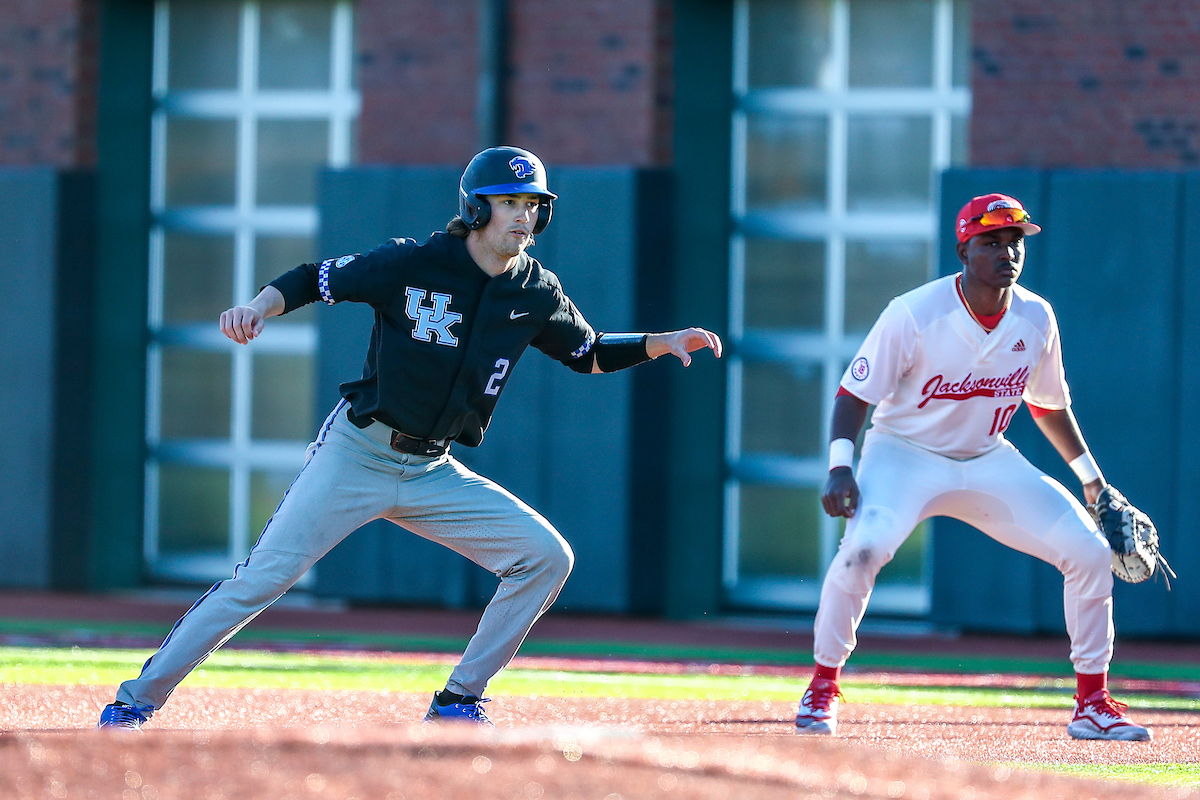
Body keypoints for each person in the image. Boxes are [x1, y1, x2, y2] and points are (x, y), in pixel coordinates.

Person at [98, 145, 722, 731]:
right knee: (260, 579)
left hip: (433, 472)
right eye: (511, 202)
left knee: (547, 558)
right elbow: (316, 278)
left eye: (534, 204)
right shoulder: (414, 261)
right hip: (357, 454)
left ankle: (459, 698)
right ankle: (136, 701)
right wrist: (257, 308)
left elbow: (585, 352)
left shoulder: (534, 289)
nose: (525, 215)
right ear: (476, 207)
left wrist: (657, 344)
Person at [793, 193, 1151, 742]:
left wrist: (1093, 483)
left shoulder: (1035, 316)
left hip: (987, 458)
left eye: (1014, 242)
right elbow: (853, 394)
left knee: (1089, 552)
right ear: (964, 249)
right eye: (991, 242)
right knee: (863, 550)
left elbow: (1049, 406)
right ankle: (822, 686)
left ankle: (1092, 702)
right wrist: (841, 466)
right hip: (902, 455)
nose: (1007, 252)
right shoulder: (915, 312)